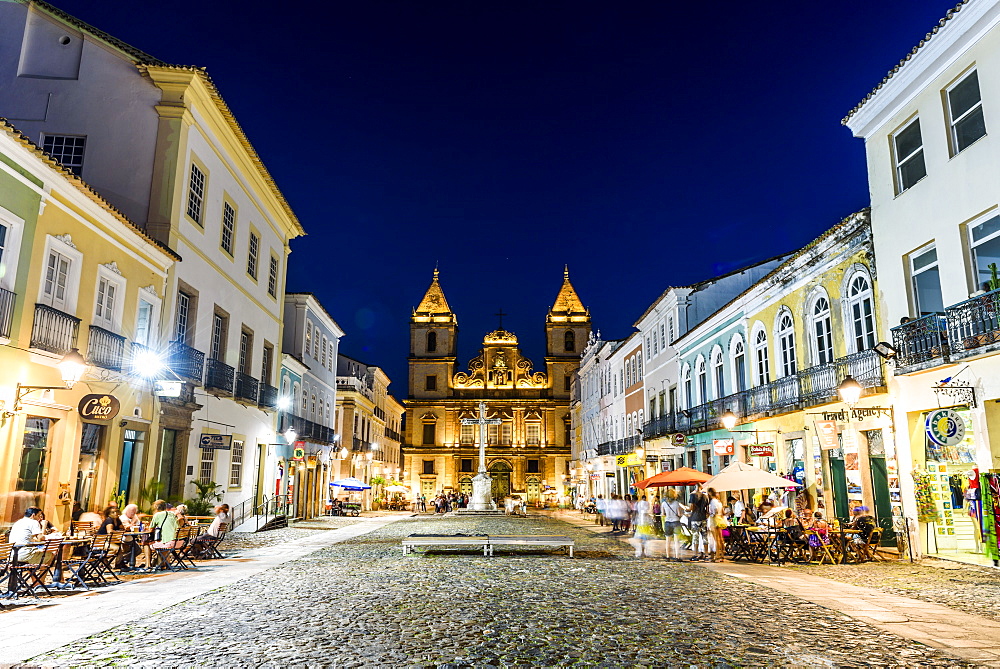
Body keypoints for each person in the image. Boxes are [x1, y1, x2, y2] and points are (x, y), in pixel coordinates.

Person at [147, 499, 181, 569]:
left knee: (148, 544)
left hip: (168, 542)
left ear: (156, 508)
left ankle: (157, 564)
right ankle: (165, 564)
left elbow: (151, 529)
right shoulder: (172, 514)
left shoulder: (157, 515)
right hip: (178, 541)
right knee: (162, 542)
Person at [660, 488, 686, 562]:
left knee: (668, 540)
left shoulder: (664, 504)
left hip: (668, 522)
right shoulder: (676, 503)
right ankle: (677, 557)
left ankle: (668, 556)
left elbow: (662, 514)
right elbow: (678, 514)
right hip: (676, 522)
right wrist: (681, 514)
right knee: (676, 540)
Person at [687, 488, 710, 561]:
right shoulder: (705, 497)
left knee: (695, 536)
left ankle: (695, 554)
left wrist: (686, 509)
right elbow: (708, 510)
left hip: (695, 518)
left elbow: (691, 508)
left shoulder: (693, 496)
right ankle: (706, 554)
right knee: (704, 536)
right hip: (703, 518)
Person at [706, 488, 726, 562]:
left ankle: (717, 555)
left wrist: (709, 514)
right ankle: (722, 555)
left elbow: (714, 511)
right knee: (720, 538)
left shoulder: (713, 502)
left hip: (714, 520)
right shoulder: (719, 501)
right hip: (720, 519)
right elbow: (723, 512)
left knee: (716, 539)